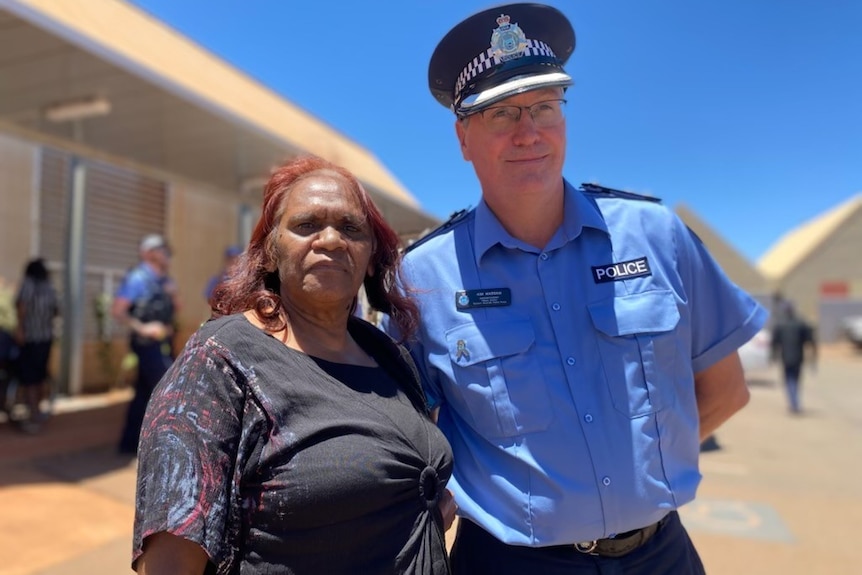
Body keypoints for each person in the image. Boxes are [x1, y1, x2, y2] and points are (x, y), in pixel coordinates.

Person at [387, 4, 768, 574]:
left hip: (659, 556)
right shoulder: (421, 281)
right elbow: (408, 442)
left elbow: (725, 390)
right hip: (509, 563)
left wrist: (643, 467)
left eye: (545, 106)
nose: (529, 132)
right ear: (463, 136)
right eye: (501, 114)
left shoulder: (656, 234)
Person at [132, 155, 456, 575]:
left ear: (372, 255)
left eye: (351, 228)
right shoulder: (220, 361)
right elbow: (170, 564)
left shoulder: (388, 355)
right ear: (269, 252)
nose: (331, 240)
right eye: (306, 225)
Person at [112, 233, 179, 455]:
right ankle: (166, 449)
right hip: (146, 344)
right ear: (148, 253)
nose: (167, 255)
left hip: (162, 343)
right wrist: (144, 328)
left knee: (143, 394)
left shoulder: (164, 281)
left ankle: (129, 443)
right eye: (163, 251)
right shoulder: (137, 278)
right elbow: (118, 311)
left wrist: (172, 295)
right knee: (168, 390)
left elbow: (176, 309)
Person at [14, 258, 59, 434]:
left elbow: (21, 307)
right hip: (46, 337)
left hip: (30, 337)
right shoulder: (49, 287)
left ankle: (32, 412)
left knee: (30, 377)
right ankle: (37, 410)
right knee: (40, 375)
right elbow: (56, 310)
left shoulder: (28, 284)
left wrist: (19, 328)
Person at [770, 303, 817, 414]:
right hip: (798, 357)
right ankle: (795, 403)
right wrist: (813, 357)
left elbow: (774, 343)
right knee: (795, 380)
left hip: (786, 357)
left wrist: (773, 356)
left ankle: (793, 403)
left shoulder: (780, 325)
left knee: (789, 380)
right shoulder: (801, 324)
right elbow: (810, 340)